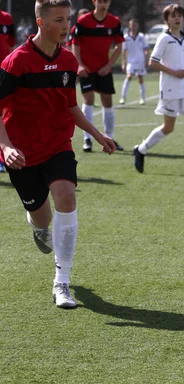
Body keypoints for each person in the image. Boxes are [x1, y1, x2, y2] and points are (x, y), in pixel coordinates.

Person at [0, 0, 116, 309]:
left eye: (67, 19)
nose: (66, 26)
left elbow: (70, 105)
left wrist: (97, 133)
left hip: (57, 145)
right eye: (59, 20)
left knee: (66, 195)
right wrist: (6, 146)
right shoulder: (15, 62)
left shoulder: (67, 60)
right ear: (41, 22)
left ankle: (61, 283)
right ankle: (39, 227)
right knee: (42, 215)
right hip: (22, 152)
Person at [133, 4, 184, 176]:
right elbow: (153, 62)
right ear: (167, 20)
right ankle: (141, 150)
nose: (177, 18)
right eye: (173, 16)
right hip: (170, 89)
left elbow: (179, 61)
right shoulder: (164, 38)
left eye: (179, 15)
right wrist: (174, 73)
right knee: (168, 127)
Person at [72, 0, 125, 152]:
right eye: (100, 1)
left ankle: (109, 138)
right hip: (87, 70)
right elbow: (75, 44)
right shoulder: (83, 21)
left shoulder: (114, 22)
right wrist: (80, 65)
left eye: (106, 1)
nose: (103, 4)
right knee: (88, 100)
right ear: (94, 2)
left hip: (104, 70)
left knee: (107, 102)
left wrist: (108, 66)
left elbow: (119, 46)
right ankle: (87, 140)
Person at [119, 18, 149, 105]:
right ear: (129, 26)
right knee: (129, 76)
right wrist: (123, 63)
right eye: (132, 25)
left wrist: (146, 58)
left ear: (137, 26)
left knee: (140, 78)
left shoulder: (141, 37)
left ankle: (142, 98)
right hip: (131, 62)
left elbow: (146, 48)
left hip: (140, 61)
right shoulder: (126, 37)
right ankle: (123, 97)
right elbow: (124, 51)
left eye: (135, 25)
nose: (133, 27)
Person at [0, 8, 15, 173]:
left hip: (3, 73)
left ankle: (1, 157)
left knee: (3, 115)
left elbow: (11, 46)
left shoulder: (6, 18)